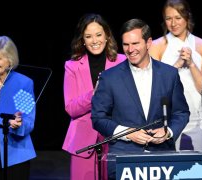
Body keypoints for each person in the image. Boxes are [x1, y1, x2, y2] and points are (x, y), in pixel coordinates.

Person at [91, 18, 190, 179]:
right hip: (123, 160)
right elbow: (98, 118)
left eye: (135, 43)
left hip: (162, 159)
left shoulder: (169, 74)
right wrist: (127, 133)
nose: (130, 50)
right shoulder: (109, 78)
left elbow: (181, 113)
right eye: (126, 45)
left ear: (148, 42)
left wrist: (168, 132)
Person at [62, 13, 126, 180]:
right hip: (83, 140)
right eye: (88, 36)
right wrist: (94, 94)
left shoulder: (121, 61)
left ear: (107, 36)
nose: (94, 40)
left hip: (115, 137)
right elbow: (71, 108)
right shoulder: (72, 66)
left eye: (98, 35)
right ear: (82, 39)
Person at [149, 0, 202, 151]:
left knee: (201, 166)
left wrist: (191, 63)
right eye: (168, 18)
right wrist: (177, 64)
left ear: (187, 17)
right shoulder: (157, 46)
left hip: (198, 115)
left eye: (178, 18)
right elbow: (155, 87)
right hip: (168, 116)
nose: (173, 23)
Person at [0, 36, 36, 180]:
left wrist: (19, 124)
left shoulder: (23, 83)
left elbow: (28, 120)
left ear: (10, 60)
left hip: (15, 155)